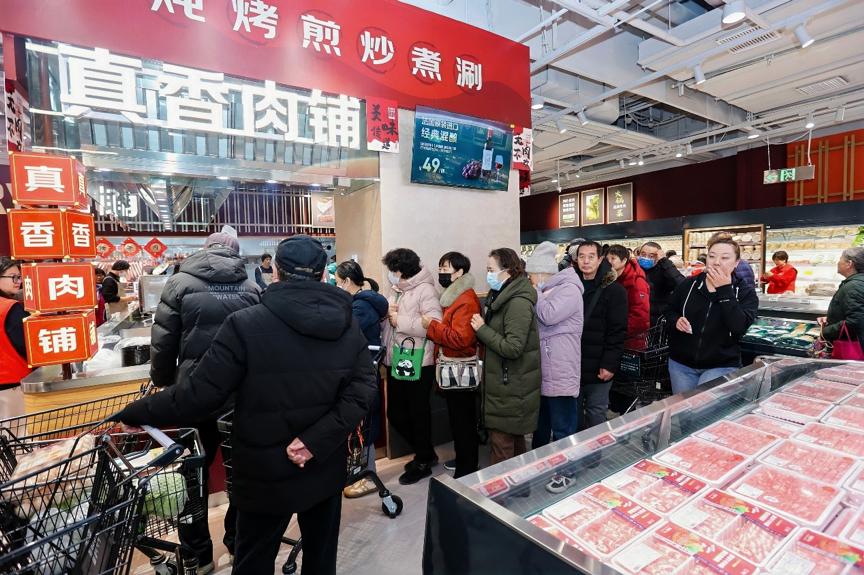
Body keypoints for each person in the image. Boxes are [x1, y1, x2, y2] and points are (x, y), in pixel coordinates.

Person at [118, 235, 377, 575]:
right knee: (321, 559)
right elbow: (363, 389)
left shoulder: (245, 324)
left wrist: (137, 411)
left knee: (254, 559)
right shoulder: (346, 324)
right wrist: (315, 440)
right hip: (323, 463)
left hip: (264, 469)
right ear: (322, 275)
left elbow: (199, 394)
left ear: (276, 273)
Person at [148, 230, 260, 570]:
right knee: (241, 471)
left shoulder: (179, 283)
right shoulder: (251, 287)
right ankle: (238, 543)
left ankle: (198, 555)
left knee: (191, 473)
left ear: (204, 249)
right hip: (239, 394)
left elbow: (163, 340)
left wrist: (163, 381)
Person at [470, 248, 541, 464]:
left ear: (508, 271)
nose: (488, 274)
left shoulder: (517, 302)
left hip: (511, 386)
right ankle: (521, 482)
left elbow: (513, 347)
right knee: (514, 444)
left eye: (491, 270)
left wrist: (482, 329)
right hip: (506, 384)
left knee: (501, 449)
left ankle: (501, 486)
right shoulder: (501, 295)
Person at [665, 234, 759, 394]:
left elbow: (739, 327)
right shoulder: (689, 284)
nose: (716, 262)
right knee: (683, 408)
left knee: (703, 406)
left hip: (721, 365)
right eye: (712, 256)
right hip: (681, 364)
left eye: (725, 258)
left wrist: (725, 290)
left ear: (736, 263)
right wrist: (676, 320)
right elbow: (669, 310)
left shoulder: (744, 292)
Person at [381, 248, 443, 484]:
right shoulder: (397, 289)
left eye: (393, 270)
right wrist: (386, 314)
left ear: (401, 270)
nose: (391, 274)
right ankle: (425, 452)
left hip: (419, 361)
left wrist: (401, 321)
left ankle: (424, 459)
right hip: (397, 359)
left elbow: (435, 324)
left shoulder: (425, 289)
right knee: (396, 413)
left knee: (418, 413)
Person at [420, 252, 482, 478]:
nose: (442, 273)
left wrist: (432, 326)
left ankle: (467, 468)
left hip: (460, 367)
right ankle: (463, 459)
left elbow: (461, 339)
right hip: (452, 366)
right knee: (458, 419)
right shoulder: (453, 296)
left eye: (446, 269)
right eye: (440, 268)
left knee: (463, 421)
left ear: (459, 272)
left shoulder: (466, 300)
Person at [334, 260, 389, 498]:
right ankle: (360, 472)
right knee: (361, 425)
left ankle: (368, 475)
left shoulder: (361, 308)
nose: (336, 287)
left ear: (347, 281)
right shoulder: (361, 303)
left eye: (338, 282)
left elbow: (343, 335)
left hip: (363, 374)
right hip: (363, 372)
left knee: (365, 424)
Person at [525, 242, 584, 449]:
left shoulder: (569, 290)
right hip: (546, 369)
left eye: (531, 275)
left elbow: (549, 315)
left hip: (561, 369)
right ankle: (540, 463)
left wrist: (536, 292)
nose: (530, 280)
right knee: (541, 427)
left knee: (563, 428)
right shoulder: (548, 290)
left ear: (542, 273)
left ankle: (566, 466)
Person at [572, 242, 628, 429]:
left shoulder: (614, 290)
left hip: (599, 365)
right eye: (581, 256)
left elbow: (617, 331)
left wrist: (609, 364)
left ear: (600, 259)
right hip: (573, 364)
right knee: (573, 414)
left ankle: (596, 448)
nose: (586, 261)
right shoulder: (570, 286)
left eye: (591, 256)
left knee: (596, 412)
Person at [0, 258, 30, 420]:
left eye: (19, 277)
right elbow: (27, 346)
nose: (18, 281)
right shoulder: (10, 308)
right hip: (11, 383)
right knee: (17, 432)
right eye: (13, 277)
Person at [819, 247, 864, 351]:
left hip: (850, 349)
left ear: (849, 264)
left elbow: (855, 322)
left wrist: (825, 332)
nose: (838, 263)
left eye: (840, 259)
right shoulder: (857, 283)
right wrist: (832, 318)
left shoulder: (854, 286)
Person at [607, 245, 650, 350]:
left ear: (624, 260)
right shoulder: (611, 277)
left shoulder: (636, 281)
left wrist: (619, 332)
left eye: (613, 258)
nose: (609, 262)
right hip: (615, 336)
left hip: (631, 340)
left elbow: (640, 316)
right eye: (607, 259)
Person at [638, 241, 685, 326]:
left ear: (658, 257)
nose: (646, 258)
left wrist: (664, 261)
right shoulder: (635, 270)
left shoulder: (664, 270)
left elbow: (682, 285)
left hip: (657, 320)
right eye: (643, 254)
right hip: (638, 318)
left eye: (651, 256)